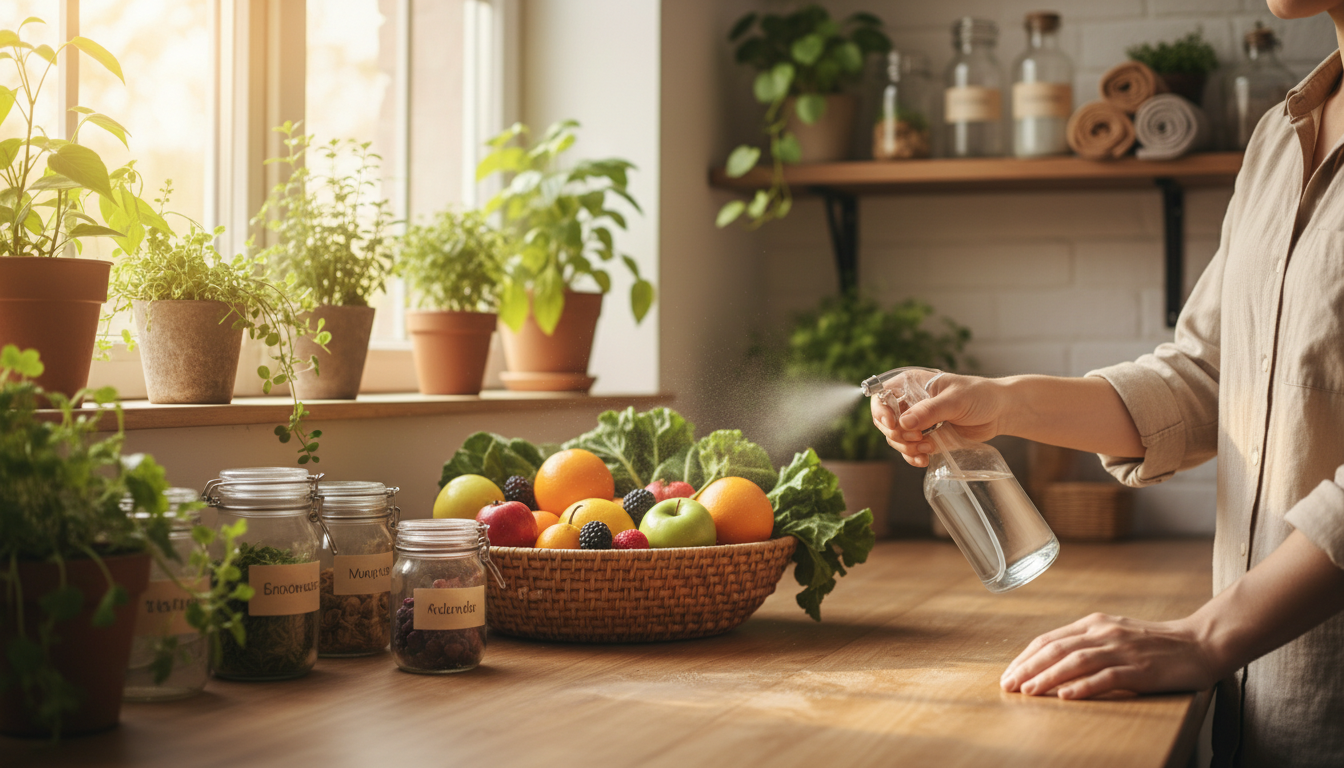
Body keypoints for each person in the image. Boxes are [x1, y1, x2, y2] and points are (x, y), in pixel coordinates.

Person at [870, 3, 1344, 767]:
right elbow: (1207, 377)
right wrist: (1004, 402)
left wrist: (1206, 632)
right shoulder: (1279, 137)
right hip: (1261, 709)